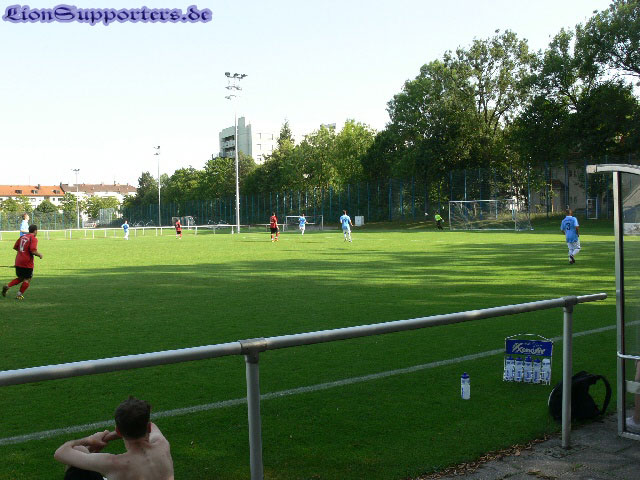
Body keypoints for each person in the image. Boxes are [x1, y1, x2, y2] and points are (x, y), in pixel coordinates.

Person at [54, 396, 174, 480]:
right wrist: (106, 438)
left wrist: (90, 440)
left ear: (118, 431)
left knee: (79, 450)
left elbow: (61, 452)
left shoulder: (114, 464)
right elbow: (151, 426)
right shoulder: (161, 444)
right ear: (147, 427)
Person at [2, 224, 43, 300]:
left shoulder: (22, 237)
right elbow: (33, 250)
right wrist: (40, 255)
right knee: (27, 279)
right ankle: (19, 294)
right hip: (27, 262)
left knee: (21, 278)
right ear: (35, 231)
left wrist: (22, 252)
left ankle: (8, 286)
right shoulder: (33, 238)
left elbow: (15, 247)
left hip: (18, 261)